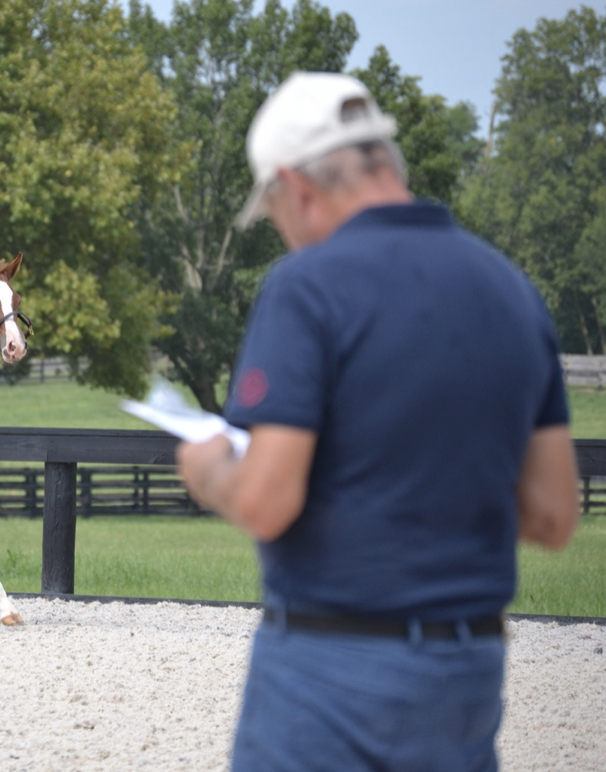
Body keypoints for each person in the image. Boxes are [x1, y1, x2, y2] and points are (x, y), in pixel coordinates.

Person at [176, 71, 581, 771]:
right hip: (468, 671)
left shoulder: (308, 288)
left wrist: (208, 467)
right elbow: (553, 514)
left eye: (274, 212)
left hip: (328, 667)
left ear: (296, 188)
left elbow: (269, 501)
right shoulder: (511, 290)